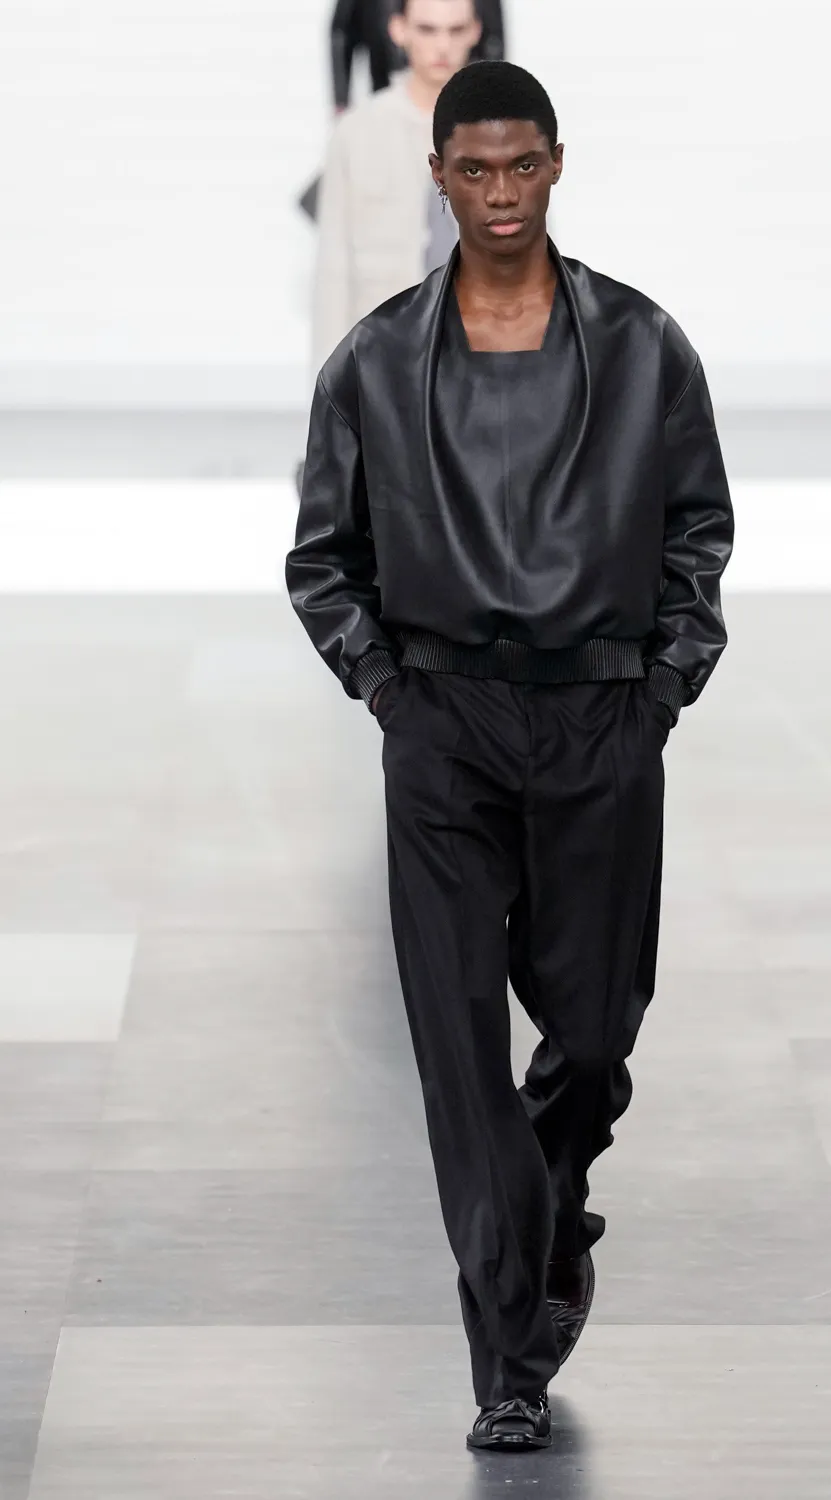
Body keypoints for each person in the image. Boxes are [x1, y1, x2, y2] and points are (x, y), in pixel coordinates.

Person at [287, 61, 734, 1451]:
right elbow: (324, 556)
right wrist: (389, 692)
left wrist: (661, 689)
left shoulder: (643, 345)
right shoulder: (374, 361)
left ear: (555, 164)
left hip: (601, 716)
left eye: (520, 165)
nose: (498, 193)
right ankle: (509, 1360)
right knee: (459, 1051)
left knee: (591, 1041)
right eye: (472, 170)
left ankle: (544, 1219)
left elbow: (697, 531)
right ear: (439, 177)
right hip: (445, 723)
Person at [312, 0, 483, 375]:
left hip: (482, 369)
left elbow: (538, 267)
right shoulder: (358, 134)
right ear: (398, 29)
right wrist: (328, 390)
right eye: (427, 29)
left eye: (455, 30)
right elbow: (333, 271)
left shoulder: (506, 133)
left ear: (475, 31)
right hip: (384, 366)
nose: (442, 46)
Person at [329, 0, 504, 111]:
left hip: (465, 92)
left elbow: (493, 37)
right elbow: (342, 34)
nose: (442, 45)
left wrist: (495, 93)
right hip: (386, 82)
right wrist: (341, 100)